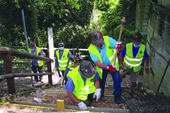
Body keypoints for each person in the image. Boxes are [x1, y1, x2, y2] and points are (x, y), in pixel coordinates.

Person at [88, 30, 123, 104]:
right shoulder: (91, 49)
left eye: (100, 43)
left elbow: (119, 47)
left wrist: (119, 46)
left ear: (102, 39)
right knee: (101, 81)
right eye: (97, 44)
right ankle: (101, 93)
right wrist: (108, 67)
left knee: (117, 80)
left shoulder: (108, 39)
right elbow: (97, 63)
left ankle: (117, 95)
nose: (99, 45)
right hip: (102, 67)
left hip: (113, 65)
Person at [119, 32, 149, 97]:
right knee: (120, 74)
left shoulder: (143, 48)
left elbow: (146, 58)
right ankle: (118, 88)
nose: (136, 43)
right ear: (133, 41)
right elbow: (121, 55)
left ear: (140, 41)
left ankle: (131, 91)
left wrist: (147, 67)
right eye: (135, 41)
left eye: (138, 41)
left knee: (133, 80)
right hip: (127, 65)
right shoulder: (128, 46)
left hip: (136, 67)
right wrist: (121, 63)